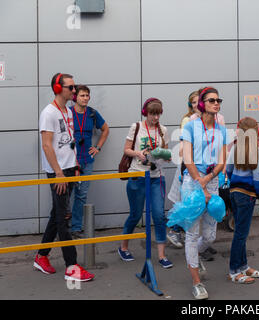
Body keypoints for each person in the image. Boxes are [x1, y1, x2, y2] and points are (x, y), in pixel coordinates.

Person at [34, 73, 94, 282]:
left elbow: (69, 141)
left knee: (56, 214)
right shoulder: (48, 113)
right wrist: (58, 173)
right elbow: (46, 145)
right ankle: (72, 266)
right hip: (57, 172)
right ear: (58, 88)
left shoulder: (67, 111)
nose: (75, 91)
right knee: (63, 220)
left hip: (69, 169)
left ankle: (41, 256)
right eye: (71, 87)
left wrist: (75, 164)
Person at [181, 86, 227, 299]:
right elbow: (187, 159)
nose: (216, 103)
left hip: (212, 181)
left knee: (209, 236)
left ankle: (194, 257)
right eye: (211, 100)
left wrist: (209, 180)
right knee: (192, 234)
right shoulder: (190, 127)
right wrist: (200, 181)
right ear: (202, 104)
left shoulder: (221, 129)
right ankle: (196, 282)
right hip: (193, 182)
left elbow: (222, 159)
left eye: (218, 100)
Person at [118, 98, 173, 269]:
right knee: (135, 215)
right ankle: (123, 247)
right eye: (152, 114)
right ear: (145, 113)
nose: (156, 117)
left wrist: (164, 154)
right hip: (137, 175)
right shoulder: (136, 127)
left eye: (158, 114)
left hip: (156, 177)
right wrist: (138, 154)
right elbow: (126, 149)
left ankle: (162, 255)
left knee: (159, 216)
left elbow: (168, 155)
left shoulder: (163, 130)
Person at [226, 117, 259, 284]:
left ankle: (243, 266)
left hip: (234, 194)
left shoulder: (234, 149)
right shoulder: (257, 152)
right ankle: (234, 271)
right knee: (241, 234)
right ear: (256, 132)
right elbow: (258, 180)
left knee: (240, 233)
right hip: (247, 196)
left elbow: (228, 170)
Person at [69, 85, 109, 239]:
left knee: (81, 195)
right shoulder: (68, 113)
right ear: (75, 98)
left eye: (87, 95)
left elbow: (106, 129)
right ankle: (62, 228)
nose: (85, 98)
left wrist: (98, 147)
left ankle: (76, 228)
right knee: (65, 195)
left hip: (87, 160)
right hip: (70, 161)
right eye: (82, 95)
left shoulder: (92, 113)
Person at [166, 91, 200, 249]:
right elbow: (184, 146)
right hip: (187, 165)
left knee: (193, 201)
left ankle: (193, 237)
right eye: (193, 102)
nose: (196, 105)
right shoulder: (188, 120)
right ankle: (174, 229)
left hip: (198, 165)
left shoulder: (207, 120)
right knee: (184, 201)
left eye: (198, 101)